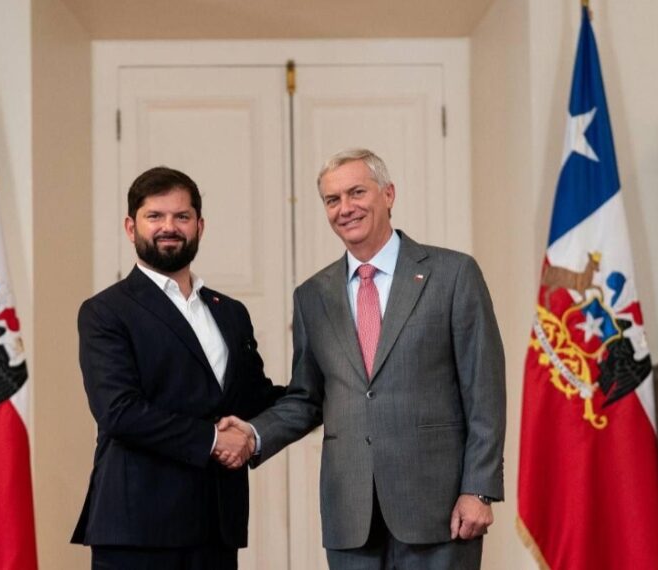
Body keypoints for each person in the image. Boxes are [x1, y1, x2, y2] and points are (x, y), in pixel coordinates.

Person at [217, 148, 506, 569]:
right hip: (350, 516)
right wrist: (252, 434)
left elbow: (485, 390)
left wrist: (478, 489)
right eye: (332, 200)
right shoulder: (312, 296)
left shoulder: (453, 274)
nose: (345, 208)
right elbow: (307, 398)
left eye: (356, 192)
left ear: (388, 194)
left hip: (439, 510)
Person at [71, 166, 284, 569]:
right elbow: (119, 412)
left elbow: (255, 397)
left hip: (216, 526)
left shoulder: (231, 313)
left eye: (182, 217)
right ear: (130, 227)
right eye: (156, 216)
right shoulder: (105, 312)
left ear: (200, 226)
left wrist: (329, 388)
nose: (169, 227)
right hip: (137, 530)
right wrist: (213, 440)